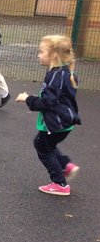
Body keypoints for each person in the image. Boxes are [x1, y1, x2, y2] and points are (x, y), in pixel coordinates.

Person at [15, 35, 81, 196]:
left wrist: (27, 99)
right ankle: (65, 165)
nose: (38, 54)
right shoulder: (66, 73)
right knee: (47, 145)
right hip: (66, 122)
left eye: (41, 51)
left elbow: (47, 102)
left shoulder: (55, 76)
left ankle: (60, 183)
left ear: (53, 55)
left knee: (43, 147)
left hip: (56, 123)